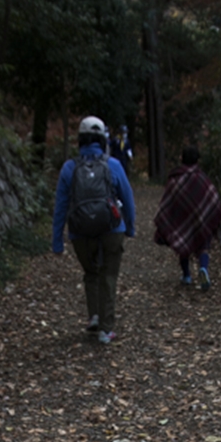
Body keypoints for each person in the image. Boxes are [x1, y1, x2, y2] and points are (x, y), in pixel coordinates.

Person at [52, 116, 135, 345]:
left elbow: (60, 207)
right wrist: (130, 227)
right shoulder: (113, 165)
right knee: (108, 275)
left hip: (80, 232)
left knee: (91, 272)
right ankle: (106, 330)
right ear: (102, 139)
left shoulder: (69, 168)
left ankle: (94, 316)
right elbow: (127, 199)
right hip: (112, 228)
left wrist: (57, 240)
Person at [154, 146, 221, 289]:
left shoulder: (176, 179)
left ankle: (187, 275)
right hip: (201, 218)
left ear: (182, 159)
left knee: (183, 244)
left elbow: (167, 202)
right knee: (203, 246)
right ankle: (203, 268)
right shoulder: (202, 178)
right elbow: (213, 198)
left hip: (182, 218)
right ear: (197, 160)